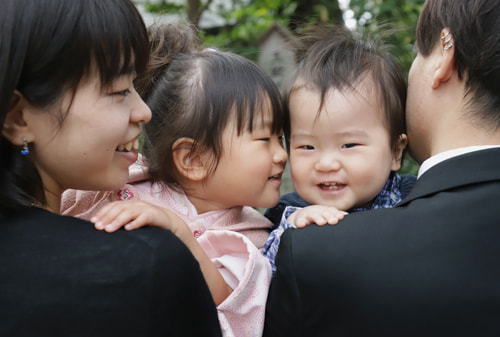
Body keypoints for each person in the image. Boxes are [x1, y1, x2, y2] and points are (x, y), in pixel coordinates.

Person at [264, 0, 500, 336]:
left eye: (419, 51)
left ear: (445, 56)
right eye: (306, 146)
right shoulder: (283, 222)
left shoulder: (309, 254)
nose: (327, 163)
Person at [0, 1, 221, 336]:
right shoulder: (144, 264)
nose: (144, 111)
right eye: (118, 90)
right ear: (18, 117)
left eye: (135, 85)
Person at [62, 22, 288, 337]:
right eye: (265, 138)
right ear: (193, 159)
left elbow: (226, 302)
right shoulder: (122, 181)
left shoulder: (250, 235)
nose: (281, 154)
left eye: (281, 137)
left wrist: (179, 231)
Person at [263, 25, 416, 274]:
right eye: (307, 146)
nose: (326, 164)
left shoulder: (414, 199)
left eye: (348, 145)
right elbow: (263, 286)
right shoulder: (285, 214)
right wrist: (290, 235)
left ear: (396, 152)